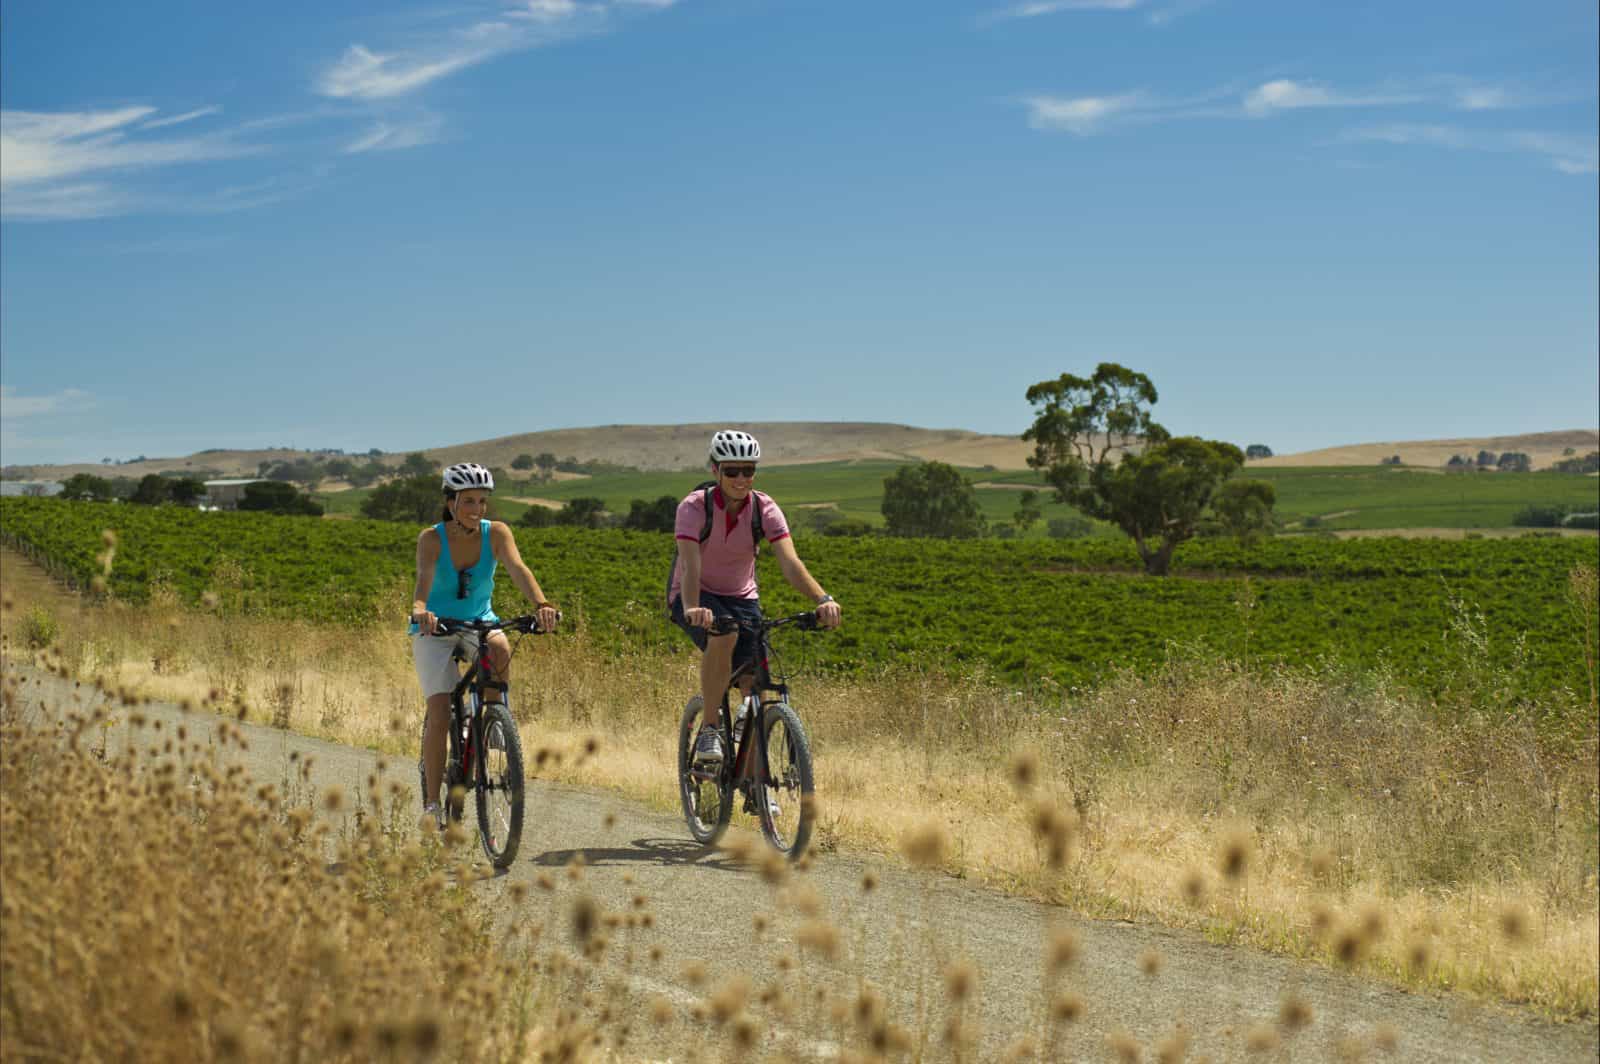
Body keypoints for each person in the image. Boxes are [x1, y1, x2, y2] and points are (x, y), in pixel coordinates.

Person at [669, 430, 842, 766]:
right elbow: (690, 566)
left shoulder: (764, 508)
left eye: (748, 470)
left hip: (742, 596)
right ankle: (708, 729)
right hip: (695, 593)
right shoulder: (693, 508)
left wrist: (822, 599)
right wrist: (692, 608)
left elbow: (790, 563)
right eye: (732, 471)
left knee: (756, 686)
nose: (740, 478)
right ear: (715, 470)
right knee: (725, 634)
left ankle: (756, 787)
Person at [411, 462, 559, 824]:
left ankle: (493, 722)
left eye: (482, 501)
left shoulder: (497, 534)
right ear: (450, 502)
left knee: (501, 648)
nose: (477, 509)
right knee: (440, 709)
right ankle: (432, 802)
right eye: (468, 501)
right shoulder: (431, 539)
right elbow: (422, 585)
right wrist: (420, 612)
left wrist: (541, 605)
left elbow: (517, 568)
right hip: (436, 627)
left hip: (479, 621)